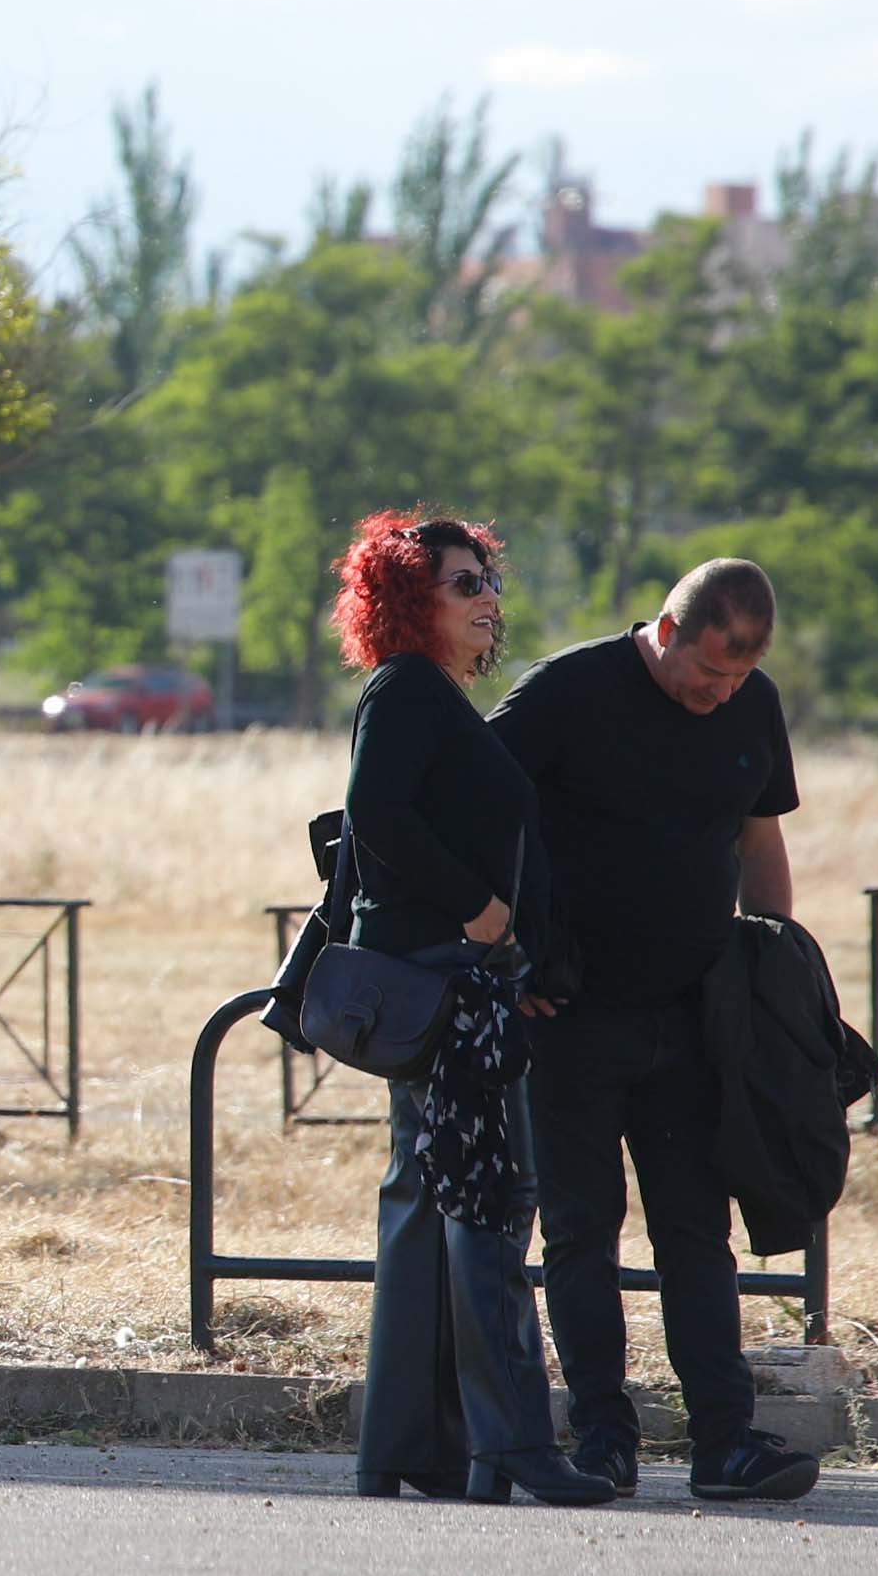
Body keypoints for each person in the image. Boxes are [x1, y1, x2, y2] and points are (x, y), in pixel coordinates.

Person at [489, 559, 822, 1503]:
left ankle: (724, 1443)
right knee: (581, 1235)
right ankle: (601, 1438)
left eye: (737, 679)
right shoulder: (565, 691)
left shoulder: (752, 705)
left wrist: (773, 967)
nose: (720, 695)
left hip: (692, 1017)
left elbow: (759, 836)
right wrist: (510, 952)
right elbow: (473, 804)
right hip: (568, 1016)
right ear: (666, 632)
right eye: (707, 673)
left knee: (695, 1235)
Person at [334, 513, 612, 1507]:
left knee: (424, 1205)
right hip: (445, 973)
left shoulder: (431, 696)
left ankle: (410, 1451)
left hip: (452, 973)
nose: (485, 597)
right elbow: (375, 811)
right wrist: (478, 906)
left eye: (486, 580)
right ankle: (515, 1448)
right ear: (410, 600)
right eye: (461, 584)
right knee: (488, 1201)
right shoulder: (408, 687)